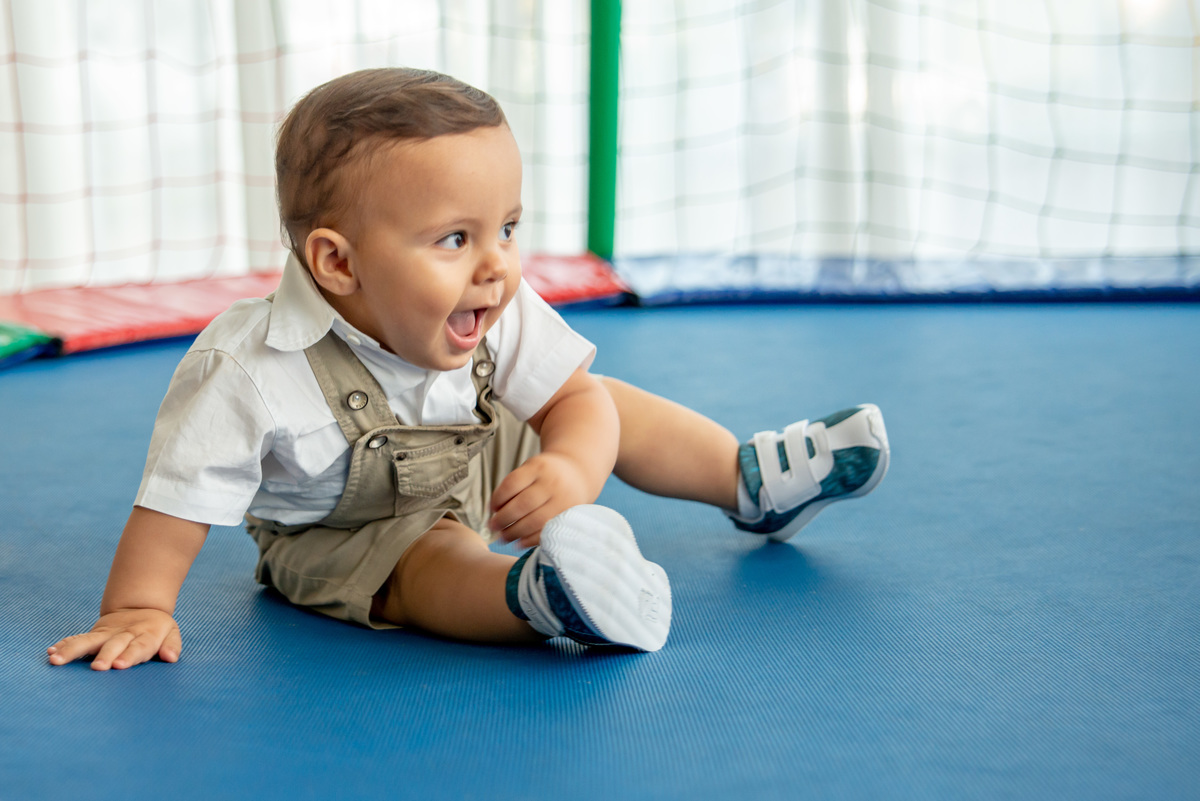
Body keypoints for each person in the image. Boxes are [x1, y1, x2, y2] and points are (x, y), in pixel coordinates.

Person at [47, 68, 890, 668]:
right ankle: (540, 598)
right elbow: (175, 504)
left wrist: (569, 462)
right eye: (456, 237)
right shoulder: (250, 367)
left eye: (508, 227)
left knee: (610, 403)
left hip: (471, 449)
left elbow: (576, 401)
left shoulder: (494, 303)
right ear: (338, 264)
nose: (497, 264)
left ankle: (746, 482)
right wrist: (139, 605)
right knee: (427, 569)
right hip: (344, 530)